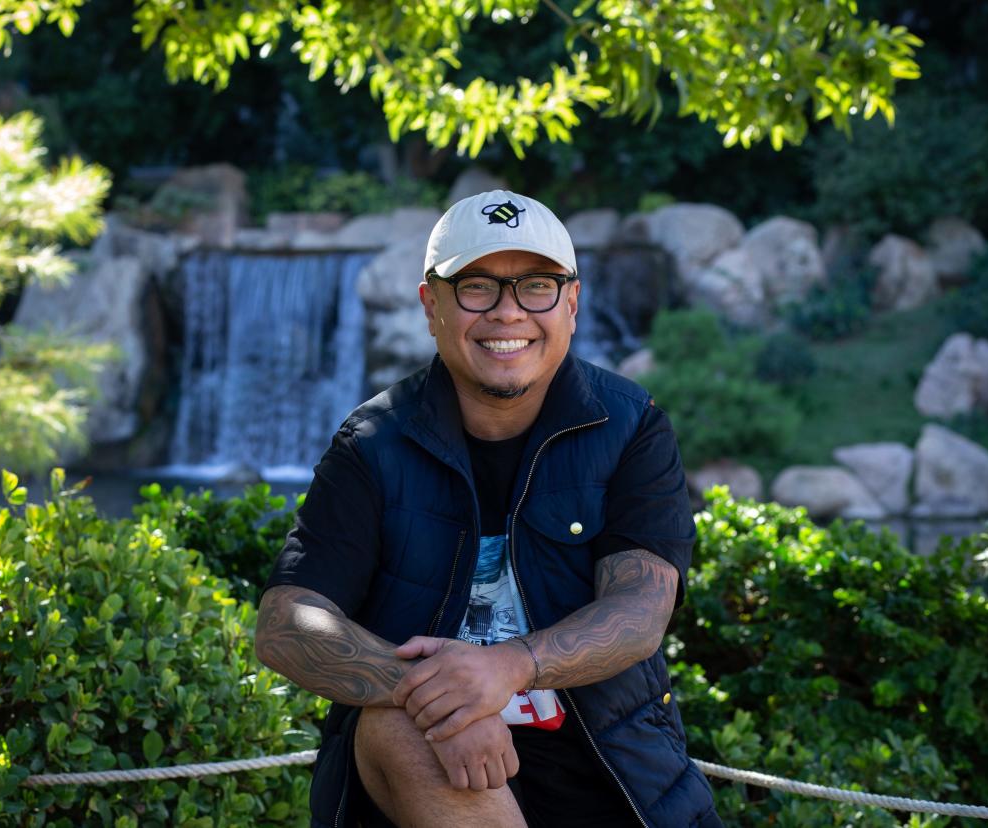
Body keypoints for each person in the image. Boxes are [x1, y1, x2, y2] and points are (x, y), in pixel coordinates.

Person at [256, 190, 721, 828]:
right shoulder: (371, 446)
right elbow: (287, 621)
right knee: (397, 733)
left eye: (536, 287)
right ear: (431, 305)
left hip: (615, 783)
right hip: (435, 775)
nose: (507, 314)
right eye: (476, 287)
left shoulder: (631, 429)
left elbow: (640, 611)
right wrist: (442, 702)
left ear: (573, 303)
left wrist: (507, 667)